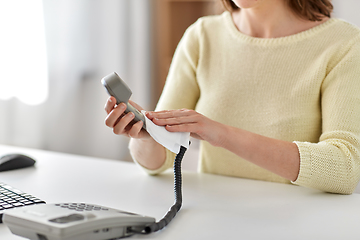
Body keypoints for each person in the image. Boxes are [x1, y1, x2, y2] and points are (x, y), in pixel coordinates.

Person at [104, 0, 360, 194]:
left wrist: (223, 135)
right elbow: (159, 162)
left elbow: (344, 168)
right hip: (220, 215)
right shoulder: (202, 36)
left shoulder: (343, 43)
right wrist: (147, 135)